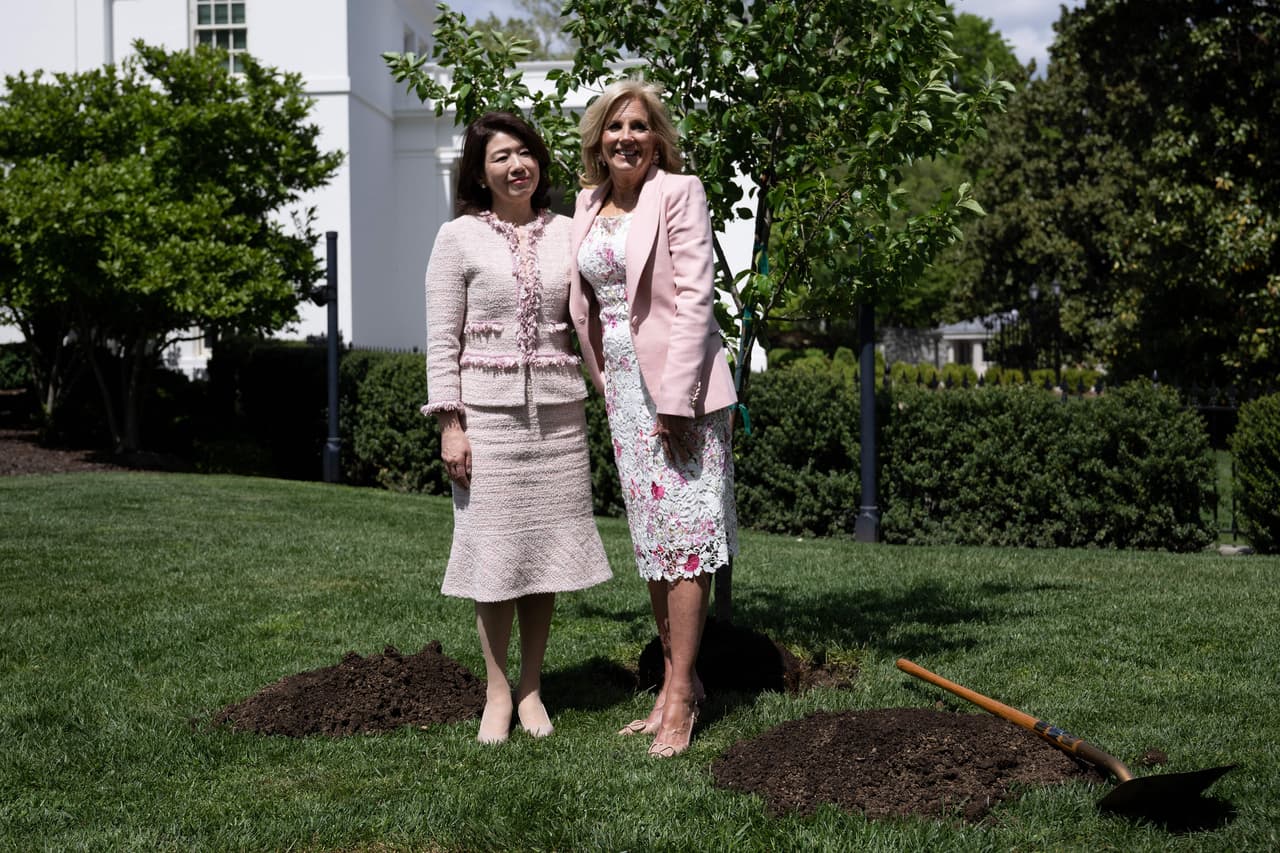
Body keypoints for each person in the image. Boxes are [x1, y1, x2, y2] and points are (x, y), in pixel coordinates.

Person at [421, 111, 612, 744]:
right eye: (501, 156)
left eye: (525, 152)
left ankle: (533, 686)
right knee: (496, 554)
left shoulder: (569, 232)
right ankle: (497, 691)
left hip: (559, 418)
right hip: (488, 421)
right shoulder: (457, 238)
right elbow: (440, 339)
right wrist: (452, 424)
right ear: (480, 170)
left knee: (543, 554)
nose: (516, 165)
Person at [569, 79, 739, 758]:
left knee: (688, 534)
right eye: (614, 128)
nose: (626, 138)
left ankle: (675, 699)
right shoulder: (586, 203)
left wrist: (674, 398)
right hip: (621, 391)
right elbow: (585, 304)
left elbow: (697, 296)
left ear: (657, 137)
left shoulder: (679, 192)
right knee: (653, 537)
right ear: (598, 140)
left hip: (680, 391)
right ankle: (683, 680)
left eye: (639, 126)